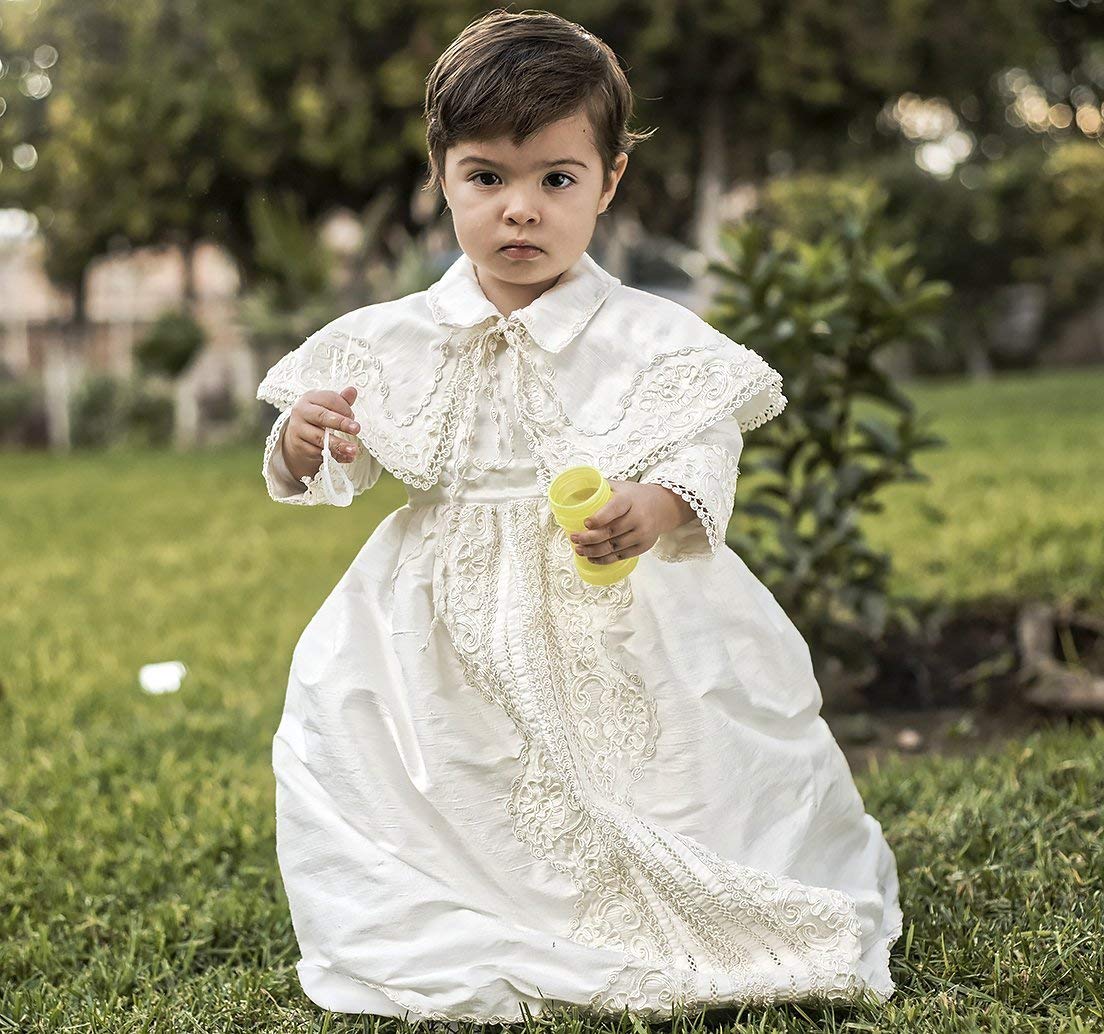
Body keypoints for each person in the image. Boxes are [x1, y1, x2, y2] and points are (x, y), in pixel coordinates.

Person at [257, 9, 903, 1024]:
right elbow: (337, 456)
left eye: (556, 179)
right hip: (440, 613)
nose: (520, 210)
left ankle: (678, 890)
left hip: (613, 605)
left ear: (608, 182)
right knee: (411, 748)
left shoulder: (648, 335)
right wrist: (307, 440)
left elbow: (701, 441)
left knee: (666, 761)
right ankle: (463, 895)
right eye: (487, 177)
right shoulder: (393, 337)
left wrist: (655, 503)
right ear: (441, 178)